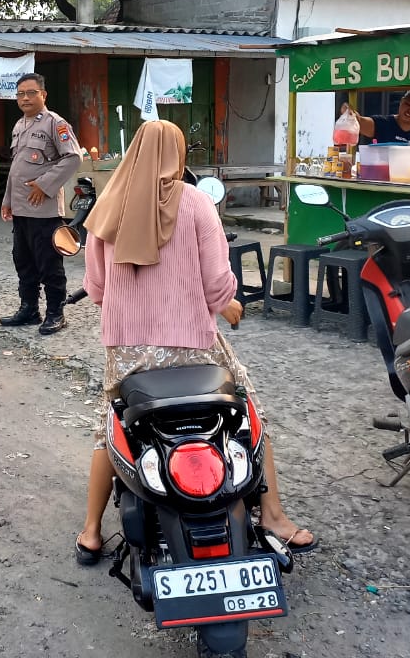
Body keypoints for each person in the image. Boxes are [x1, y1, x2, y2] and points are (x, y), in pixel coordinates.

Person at [73, 120, 315, 564]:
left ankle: (91, 531)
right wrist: (230, 305)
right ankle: (275, 516)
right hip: (193, 348)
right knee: (249, 415)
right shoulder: (197, 204)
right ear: (179, 156)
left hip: (128, 351)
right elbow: (218, 283)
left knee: (113, 430)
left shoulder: (106, 208)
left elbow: (97, 290)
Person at [0, 73, 82, 335]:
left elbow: (73, 158)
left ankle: (56, 313)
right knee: (23, 261)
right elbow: (17, 169)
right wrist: (8, 200)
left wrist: (44, 185)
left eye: (31, 92)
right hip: (21, 209)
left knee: (49, 264)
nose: (25, 97)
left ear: (43, 95)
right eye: (20, 93)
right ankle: (29, 309)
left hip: (44, 210)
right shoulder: (19, 125)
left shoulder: (55, 124)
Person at [346, 90, 410, 153]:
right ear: (401, 102)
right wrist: (349, 114)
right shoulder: (384, 123)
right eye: (408, 104)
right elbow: (359, 122)